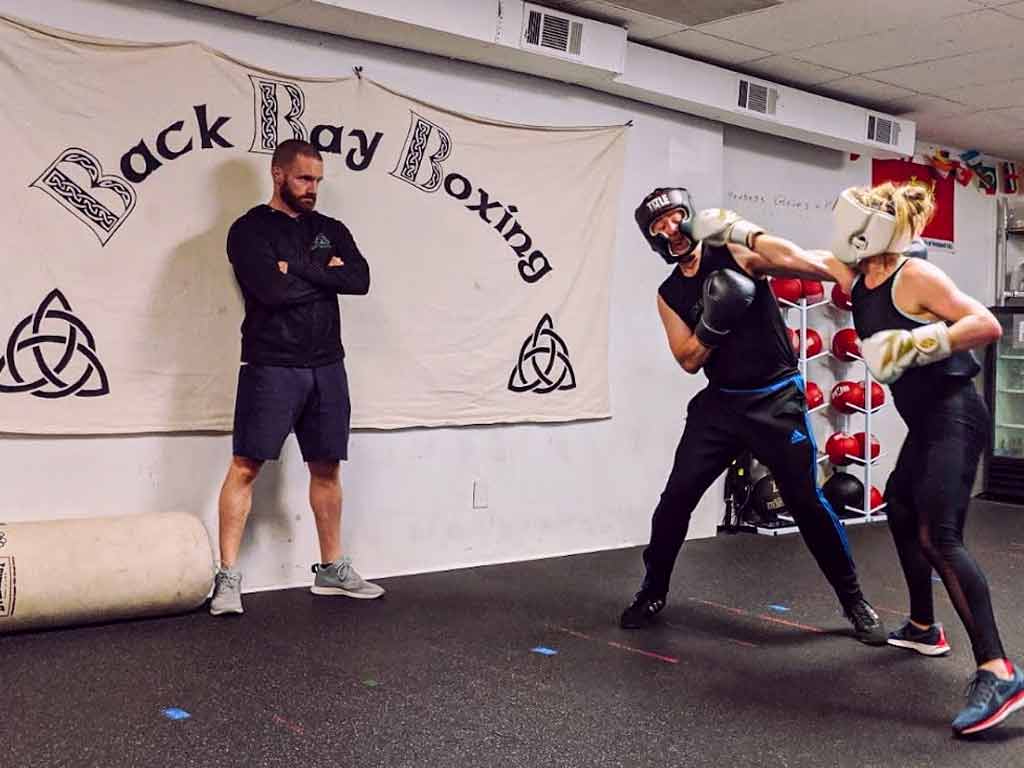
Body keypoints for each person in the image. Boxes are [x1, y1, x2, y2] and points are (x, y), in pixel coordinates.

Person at [721, 180, 1022, 736]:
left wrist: (915, 344)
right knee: (902, 513)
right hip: (925, 423)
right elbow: (796, 258)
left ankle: (998, 669)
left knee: (940, 537)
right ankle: (925, 627)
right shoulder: (853, 273)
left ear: (872, 228)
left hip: (955, 416)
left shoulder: (917, 276)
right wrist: (736, 234)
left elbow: (985, 323)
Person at [622, 187, 886, 646]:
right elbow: (687, 359)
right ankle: (651, 591)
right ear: (654, 240)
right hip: (720, 405)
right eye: (658, 227)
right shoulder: (669, 294)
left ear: (691, 217)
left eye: (676, 217)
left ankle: (854, 600)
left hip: (775, 402)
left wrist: (856, 268)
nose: (671, 229)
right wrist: (713, 323)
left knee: (807, 503)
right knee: (675, 500)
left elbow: (801, 260)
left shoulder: (736, 255)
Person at [209, 139, 383, 616]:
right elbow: (271, 290)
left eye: (318, 181)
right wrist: (322, 273)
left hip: (328, 365)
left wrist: (298, 269)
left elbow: (360, 279)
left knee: (326, 466)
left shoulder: (329, 229)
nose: (312, 189)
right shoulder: (249, 231)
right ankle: (227, 577)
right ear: (278, 174)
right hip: (272, 364)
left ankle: (331, 569)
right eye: (304, 179)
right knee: (246, 466)